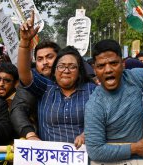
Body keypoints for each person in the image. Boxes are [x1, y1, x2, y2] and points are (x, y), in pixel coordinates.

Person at [84, 39, 143, 162]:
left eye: (113, 63)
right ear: (94, 69)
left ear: (123, 64)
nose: (108, 70)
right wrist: (134, 148)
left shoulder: (133, 77)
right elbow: (95, 151)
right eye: (101, 66)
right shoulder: (94, 105)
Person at [17, 11, 94, 148]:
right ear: (55, 70)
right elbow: (24, 73)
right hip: (49, 162)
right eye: (61, 66)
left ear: (80, 70)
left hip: (84, 159)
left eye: (72, 66)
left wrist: (87, 134)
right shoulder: (46, 87)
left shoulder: (92, 90)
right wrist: (24, 42)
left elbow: (103, 121)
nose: (66, 70)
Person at [10, 41, 60, 139]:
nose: (45, 62)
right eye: (40, 59)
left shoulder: (76, 81)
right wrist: (30, 134)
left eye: (49, 57)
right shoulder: (32, 82)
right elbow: (18, 109)